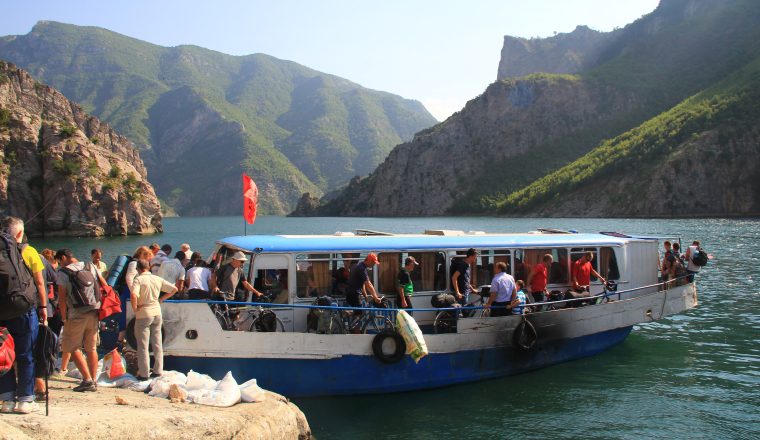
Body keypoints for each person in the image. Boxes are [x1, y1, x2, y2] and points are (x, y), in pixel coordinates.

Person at [0, 217, 47, 413]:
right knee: (26, 354)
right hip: (23, 309)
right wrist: (44, 307)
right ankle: (25, 399)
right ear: (19, 234)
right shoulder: (29, 251)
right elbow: (40, 283)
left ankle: (7, 399)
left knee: (4, 354)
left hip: (1, 310)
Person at [55, 248, 102, 393]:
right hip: (94, 312)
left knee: (71, 346)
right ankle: (94, 380)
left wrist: (64, 317)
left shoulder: (63, 273)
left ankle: (87, 380)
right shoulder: (90, 266)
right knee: (91, 348)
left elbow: (62, 298)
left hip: (76, 314)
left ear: (63, 258)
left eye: (59, 261)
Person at [130, 258, 177, 380]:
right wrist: (161, 299)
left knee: (143, 346)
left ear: (138, 269)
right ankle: (158, 371)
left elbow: (134, 295)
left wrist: (135, 309)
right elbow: (174, 289)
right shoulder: (157, 279)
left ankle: (144, 374)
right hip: (157, 312)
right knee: (157, 343)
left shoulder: (138, 280)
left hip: (144, 313)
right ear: (149, 267)